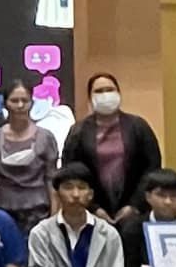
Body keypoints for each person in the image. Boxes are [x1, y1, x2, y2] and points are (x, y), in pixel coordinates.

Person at [60, 73, 162, 223]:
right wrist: (94, 208)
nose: (105, 95)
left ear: (119, 93)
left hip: (135, 213)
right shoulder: (78, 131)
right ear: (90, 98)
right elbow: (70, 170)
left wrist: (134, 206)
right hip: (91, 213)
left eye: (109, 89)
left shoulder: (138, 126)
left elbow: (152, 167)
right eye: (99, 91)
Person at [0, 79, 59, 235]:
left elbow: (51, 181)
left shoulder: (45, 138)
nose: (20, 105)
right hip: (1, 211)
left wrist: (54, 218)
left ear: (31, 103)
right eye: (14, 100)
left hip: (38, 213)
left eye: (25, 100)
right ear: (5, 104)